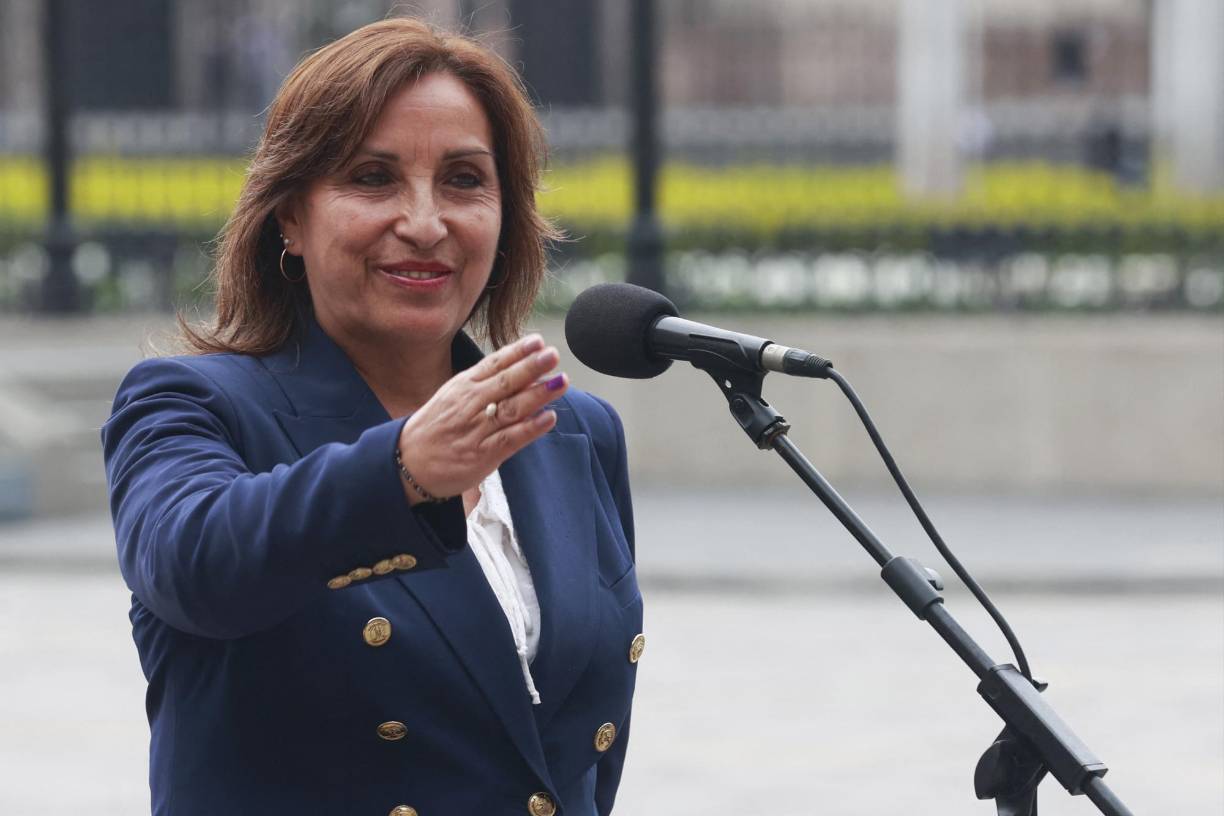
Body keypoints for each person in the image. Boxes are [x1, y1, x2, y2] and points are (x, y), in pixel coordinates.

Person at [101, 18, 642, 816]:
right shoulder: (195, 405)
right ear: (290, 215)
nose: (425, 223)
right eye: (373, 178)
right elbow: (195, 566)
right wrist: (404, 474)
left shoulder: (574, 431)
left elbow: (573, 759)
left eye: (464, 180)